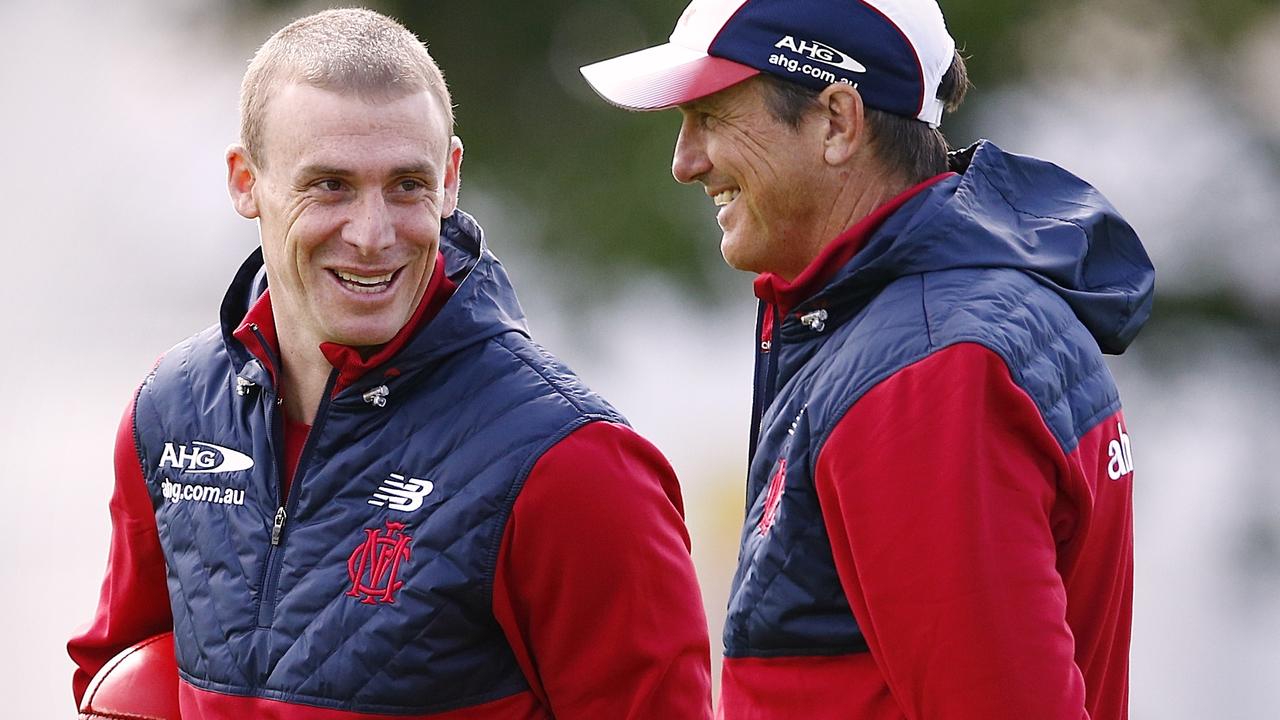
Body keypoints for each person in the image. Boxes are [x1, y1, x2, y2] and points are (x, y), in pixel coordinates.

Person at [68, 8, 713, 718]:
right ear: (245, 181)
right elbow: (121, 678)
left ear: (451, 178)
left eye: (407, 184)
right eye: (330, 186)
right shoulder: (172, 411)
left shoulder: (573, 464)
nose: (373, 235)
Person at [581, 0, 1155, 717]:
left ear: (836, 122)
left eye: (713, 116)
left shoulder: (926, 372)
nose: (685, 162)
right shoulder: (924, 329)